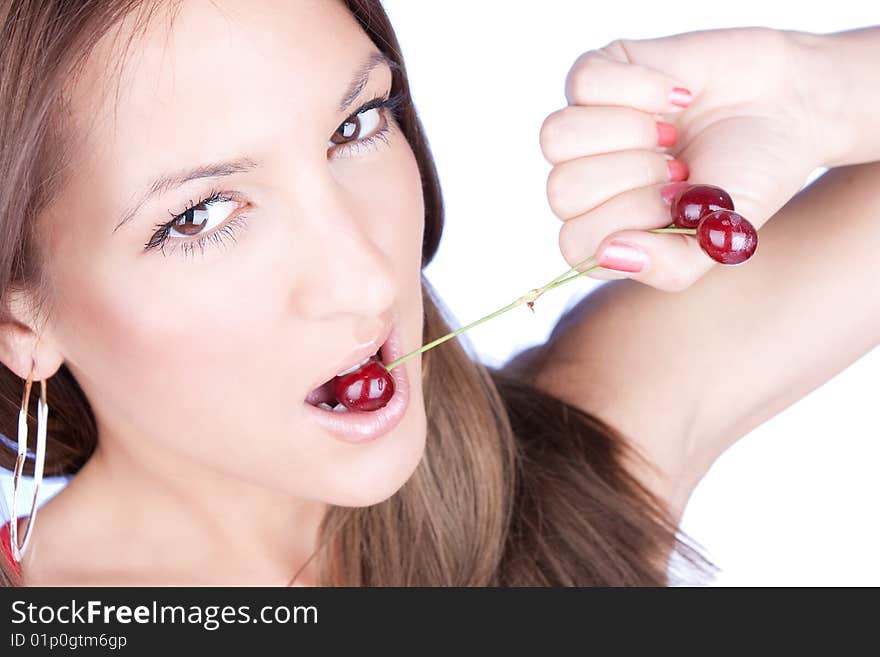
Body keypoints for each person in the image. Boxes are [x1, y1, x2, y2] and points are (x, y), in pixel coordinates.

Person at [0, 0, 877, 586]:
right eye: (200, 215)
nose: (367, 274)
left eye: (356, 124)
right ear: (22, 321)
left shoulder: (572, 472)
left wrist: (818, 91)